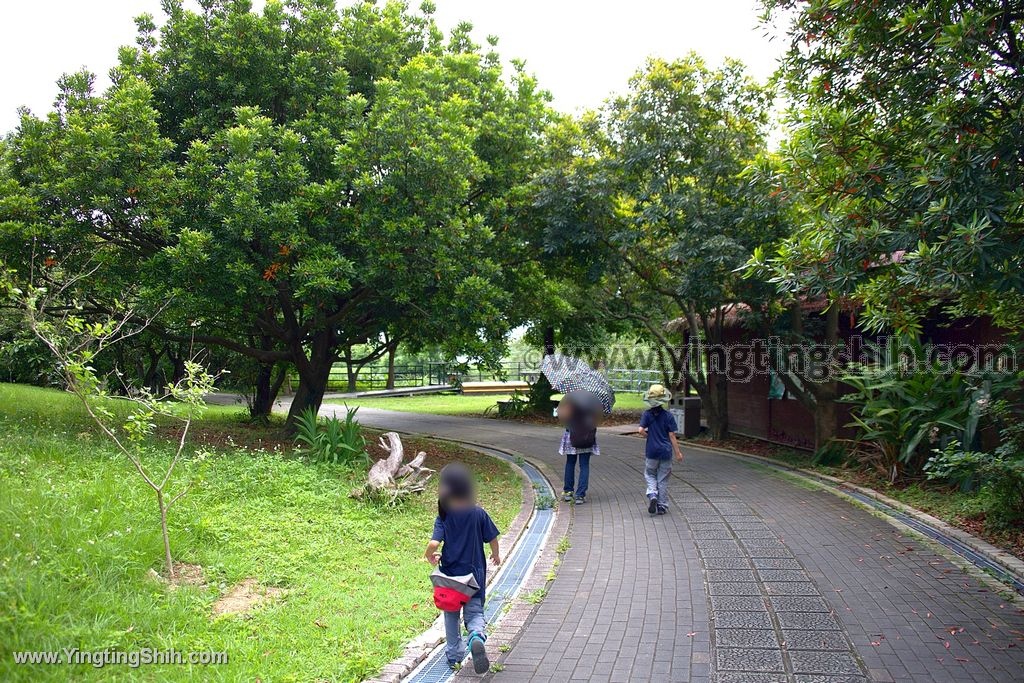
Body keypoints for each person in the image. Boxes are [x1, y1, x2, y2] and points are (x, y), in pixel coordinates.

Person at [424, 463, 501, 672]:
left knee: (450, 616)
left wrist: (429, 555)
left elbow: (433, 544)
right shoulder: (478, 513)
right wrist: (495, 554)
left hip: (450, 577)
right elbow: (492, 538)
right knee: (474, 611)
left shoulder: (444, 516)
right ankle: (476, 636)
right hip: (473, 575)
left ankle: (454, 656)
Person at [638, 384, 683, 515]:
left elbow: (640, 430)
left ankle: (652, 494)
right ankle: (662, 506)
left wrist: (648, 435)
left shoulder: (647, 414)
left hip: (651, 451)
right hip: (665, 452)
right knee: (662, 479)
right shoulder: (668, 416)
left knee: (650, 474)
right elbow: (672, 435)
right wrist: (678, 453)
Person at [557, 398, 598, 504]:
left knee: (570, 463)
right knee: (584, 465)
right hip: (586, 436)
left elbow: (563, 417)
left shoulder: (570, 399)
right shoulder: (592, 400)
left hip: (572, 436)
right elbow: (596, 419)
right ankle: (580, 495)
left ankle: (568, 492)